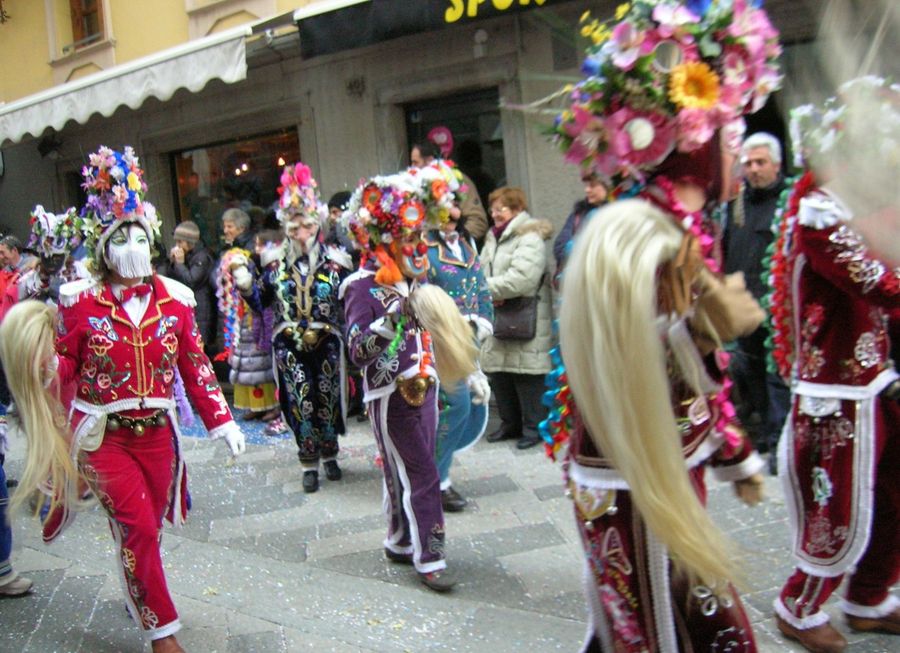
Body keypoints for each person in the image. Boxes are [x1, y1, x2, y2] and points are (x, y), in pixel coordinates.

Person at [547, 2, 781, 648]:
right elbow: (674, 362)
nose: (737, 150)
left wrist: (731, 451)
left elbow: (690, 367)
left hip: (650, 464)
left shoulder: (669, 230)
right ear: (698, 145)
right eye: (730, 133)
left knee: (650, 622)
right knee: (659, 626)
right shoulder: (649, 241)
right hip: (637, 474)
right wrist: (734, 450)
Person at [0, 145, 246, 653]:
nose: (132, 245)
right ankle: (163, 633)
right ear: (105, 247)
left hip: (158, 436)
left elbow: (195, 368)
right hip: (102, 437)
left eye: (139, 235)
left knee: (146, 529)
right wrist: (47, 363)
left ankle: (139, 589)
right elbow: (67, 361)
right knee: (136, 525)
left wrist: (222, 421)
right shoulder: (80, 301)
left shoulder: (175, 303)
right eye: (121, 236)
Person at [770, 77, 900, 653]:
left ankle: (869, 596)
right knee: (836, 500)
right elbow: (876, 281)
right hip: (835, 391)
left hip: (876, 378)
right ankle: (799, 605)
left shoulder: (868, 206)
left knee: (893, 492)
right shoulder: (821, 213)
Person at [340, 166, 479, 592]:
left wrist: (470, 371)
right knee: (423, 474)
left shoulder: (420, 282)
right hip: (390, 396)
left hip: (428, 387)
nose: (420, 248)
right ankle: (430, 557)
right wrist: (394, 319)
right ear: (385, 243)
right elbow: (357, 351)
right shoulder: (360, 288)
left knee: (407, 473)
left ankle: (400, 541)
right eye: (410, 240)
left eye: (421, 239)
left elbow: (443, 334)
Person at [235, 162, 352, 492]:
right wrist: (246, 287)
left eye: (306, 226)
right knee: (300, 400)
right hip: (288, 342)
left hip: (327, 339)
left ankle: (330, 454)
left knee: (327, 398)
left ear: (317, 225)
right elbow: (261, 304)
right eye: (294, 227)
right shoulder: (272, 263)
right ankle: (308, 461)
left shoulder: (337, 259)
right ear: (286, 228)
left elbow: (348, 301)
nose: (301, 234)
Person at [422, 160, 493, 512]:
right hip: (440, 343)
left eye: (454, 212)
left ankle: (436, 474)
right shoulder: (423, 252)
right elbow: (422, 300)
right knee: (456, 407)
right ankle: (437, 479)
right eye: (443, 214)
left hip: (468, 342)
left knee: (467, 409)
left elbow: (481, 289)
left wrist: (482, 322)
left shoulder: (466, 247)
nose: (450, 218)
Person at [723, 133, 790, 462]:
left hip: (777, 306)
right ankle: (763, 434)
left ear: (776, 165)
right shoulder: (737, 205)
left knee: (777, 376)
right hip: (744, 304)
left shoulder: (789, 202)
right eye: (748, 163)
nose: (753, 169)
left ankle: (780, 443)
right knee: (750, 371)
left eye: (760, 162)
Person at [481, 186, 553, 450]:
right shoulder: (493, 236)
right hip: (500, 313)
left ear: (517, 209)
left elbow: (523, 279)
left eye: (501, 208)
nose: (495, 213)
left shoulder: (529, 236)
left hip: (524, 314)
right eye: (493, 208)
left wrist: (487, 288)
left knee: (527, 374)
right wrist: (490, 289)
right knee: (500, 372)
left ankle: (534, 427)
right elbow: (482, 269)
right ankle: (509, 423)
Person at [216, 209, 280, 422]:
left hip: (260, 316)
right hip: (244, 315)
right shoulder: (239, 254)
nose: (257, 248)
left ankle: (272, 403)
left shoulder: (259, 261)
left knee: (263, 362)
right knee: (249, 362)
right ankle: (256, 404)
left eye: (230, 226)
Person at [411, 140, 489, 245]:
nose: (412, 167)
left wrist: (456, 241)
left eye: (416, 162)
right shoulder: (411, 185)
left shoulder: (457, 181)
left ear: (429, 160)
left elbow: (478, 222)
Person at [156, 220, 217, 353]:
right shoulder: (185, 256)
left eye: (180, 242)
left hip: (202, 311)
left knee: (200, 349)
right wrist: (171, 263)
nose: (177, 246)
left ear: (190, 242)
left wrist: (179, 264)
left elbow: (191, 281)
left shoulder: (203, 257)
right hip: (188, 309)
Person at [552, 171, 609, 283]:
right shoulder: (578, 214)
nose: (587, 190)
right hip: (579, 282)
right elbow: (560, 246)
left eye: (592, 186)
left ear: (608, 186)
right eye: (586, 186)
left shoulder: (619, 214)